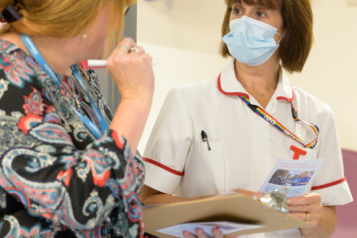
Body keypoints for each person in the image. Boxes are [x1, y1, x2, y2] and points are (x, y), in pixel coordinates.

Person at [140, 0, 353, 238]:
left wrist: (309, 215)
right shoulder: (187, 101)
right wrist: (217, 208)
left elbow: (326, 225)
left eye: (260, 13)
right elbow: (147, 204)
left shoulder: (318, 116)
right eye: (237, 10)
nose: (243, 22)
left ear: (289, 28)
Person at [0, 0, 155, 237]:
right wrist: (135, 99)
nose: (119, 21)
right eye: (119, 9)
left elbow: (115, 193)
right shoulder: (7, 72)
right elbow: (80, 203)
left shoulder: (77, 74)